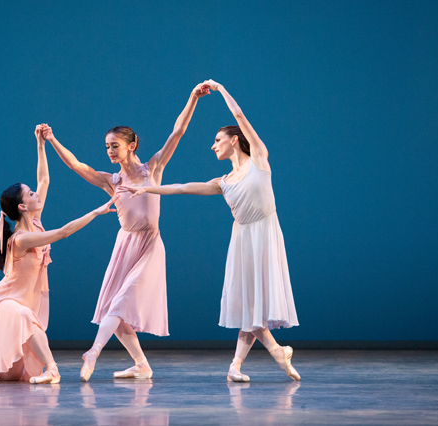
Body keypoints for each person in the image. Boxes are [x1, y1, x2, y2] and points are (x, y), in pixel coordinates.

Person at [118, 80, 301, 382]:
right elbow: (183, 187)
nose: (213, 145)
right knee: (248, 305)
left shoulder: (259, 159)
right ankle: (254, 360)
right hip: (242, 239)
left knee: (253, 305)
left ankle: (255, 360)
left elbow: (240, 117)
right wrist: (148, 188)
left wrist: (221, 89)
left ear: (234, 141)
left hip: (265, 235)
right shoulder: (223, 181)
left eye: (218, 140)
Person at [43, 83, 211, 381]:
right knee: (116, 311)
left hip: (149, 244)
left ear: (131, 145)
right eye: (107, 146)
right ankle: (142, 365)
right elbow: (75, 165)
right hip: (125, 246)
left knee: (120, 304)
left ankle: (93, 352)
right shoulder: (112, 181)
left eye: (114, 146)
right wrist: (52, 139)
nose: (109, 151)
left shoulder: (153, 169)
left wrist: (192, 98)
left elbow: (178, 132)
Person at [0, 124, 118, 384]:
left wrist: (41, 144)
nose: (36, 194)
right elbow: (62, 233)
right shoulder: (21, 239)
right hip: (4, 302)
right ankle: (53, 370)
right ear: (22, 206)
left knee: (10, 374)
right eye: (30, 194)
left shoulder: (35, 220)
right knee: (26, 319)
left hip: (23, 299)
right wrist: (96, 212)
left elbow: (44, 179)